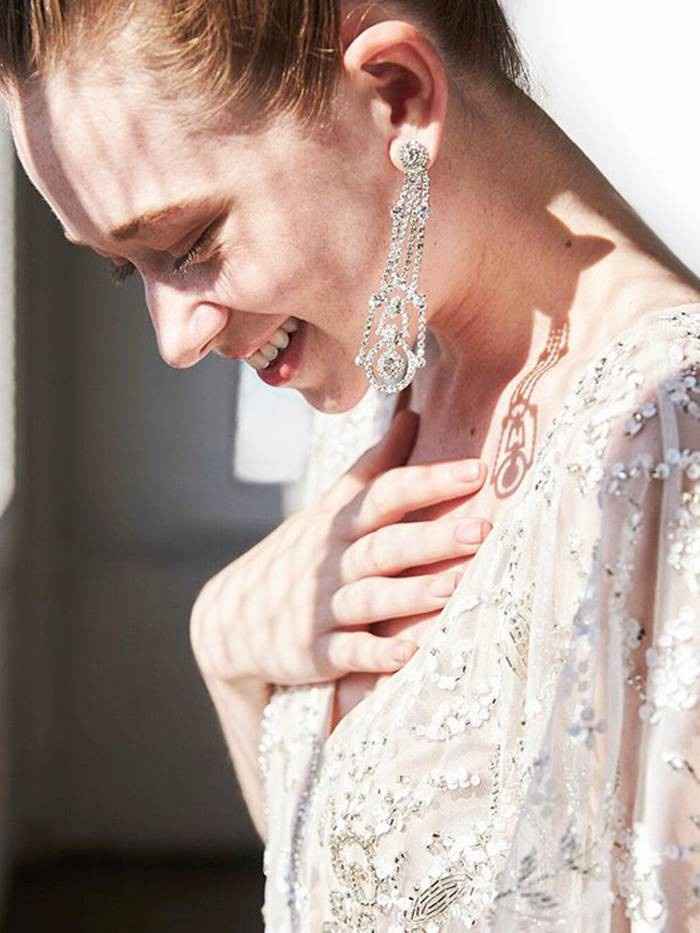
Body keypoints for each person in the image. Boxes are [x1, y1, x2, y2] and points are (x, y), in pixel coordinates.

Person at [3, 0, 700, 928]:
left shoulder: (666, 450)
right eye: (128, 269)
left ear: (400, 96)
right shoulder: (382, 382)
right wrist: (228, 652)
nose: (174, 340)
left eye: (192, 245)